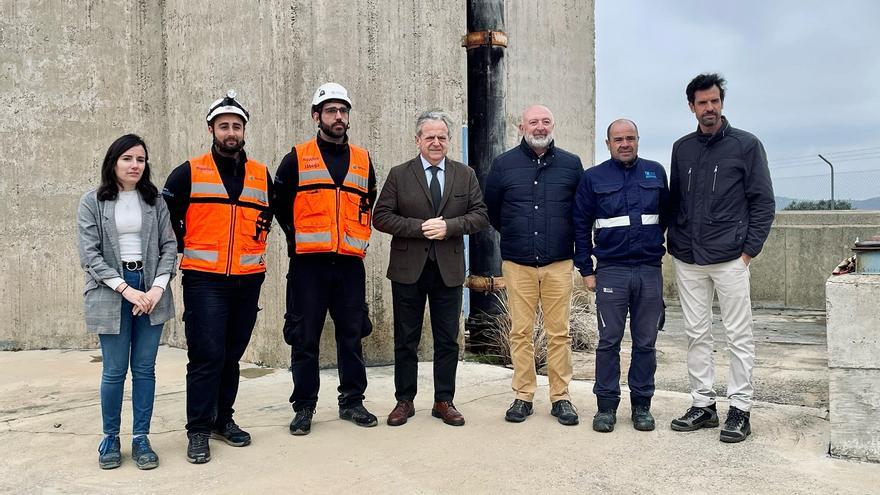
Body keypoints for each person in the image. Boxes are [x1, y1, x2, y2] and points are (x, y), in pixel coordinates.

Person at [163, 90, 273, 463]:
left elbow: (270, 215)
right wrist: (179, 244)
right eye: (224, 125)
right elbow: (166, 213)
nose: (231, 132)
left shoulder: (260, 174)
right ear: (211, 128)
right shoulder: (189, 172)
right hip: (204, 279)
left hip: (247, 279)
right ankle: (197, 430)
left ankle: (222, 420)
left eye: (237, 126)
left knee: (231, 356)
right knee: (206, 356)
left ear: (244, 131)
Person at [667, 73, 775, 443]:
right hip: (688, 258)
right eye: (702, 103)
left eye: (714, 101)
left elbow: (763, 202)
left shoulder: (747, 145)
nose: (709, 108)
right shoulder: (681, 149)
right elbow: (674, 200)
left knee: (738, 335)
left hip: (730, 257)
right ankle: (703, 405)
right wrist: (674, 241)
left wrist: (748, 252)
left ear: (722, 102)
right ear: (692, 107)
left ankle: (740, 409)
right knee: (696, 333)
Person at [273, 82, 378, 435]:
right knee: (305, 337)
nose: (338, 117)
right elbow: (280, 204)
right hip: (309, 266)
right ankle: (304, 406)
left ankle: (352, 401)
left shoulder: (363, 160)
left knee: (352, 334)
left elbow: (369, 201)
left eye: (343, 111)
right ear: (317, 116)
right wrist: (296, 239)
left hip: (349, 264)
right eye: (331, 111)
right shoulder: (297, 158)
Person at [373, 109, 488, 427]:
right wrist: (420, 227)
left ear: (448, 141)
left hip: (448, 270)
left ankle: (444, 400)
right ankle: (404, 401)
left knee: (448, 339)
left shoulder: (465, 175)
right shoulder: (399, 174)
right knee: (405, 338)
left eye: (442, 137)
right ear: (418, 140)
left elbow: (480, 216)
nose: (436, 142)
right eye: (430, 137)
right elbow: (381, 216)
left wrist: (450, 226)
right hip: (409, 268)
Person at [77, 134, 177, 470]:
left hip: (151, 290)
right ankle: (110, 438)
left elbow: (169, 247)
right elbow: (89, 255)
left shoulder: (155, 201)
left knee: (145, 369)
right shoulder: (92, 202)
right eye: (128, 159)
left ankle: (141, 438)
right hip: (112, 291)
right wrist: (126, 289)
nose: (135, 165)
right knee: (115, 370)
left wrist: (156, 290)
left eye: (141, 160)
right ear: (113, 162)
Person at [484, 105, 583, 426]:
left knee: (559, 333)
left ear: (553, 125)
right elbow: (494, 211)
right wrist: (517, 234)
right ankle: (523, 395)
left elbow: (580, 213)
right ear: (521, 126)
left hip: (559, 262)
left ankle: (561, 397)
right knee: (520, 332)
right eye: (533, 122)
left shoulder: (571, 165)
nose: (539, 127)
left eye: (545, 122)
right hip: (518, 263)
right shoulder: (503, 165)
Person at [573, 119, 669, 433]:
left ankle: (642, 406)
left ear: (637, 140)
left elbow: (665, 216)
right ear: (608, 143)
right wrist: (586, 269)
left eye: (630, 138)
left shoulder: (655, 172)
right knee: (608, 342)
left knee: (646, 342)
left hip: (648, 270)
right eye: (618, 139)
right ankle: (606, 407)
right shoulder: (593, 178)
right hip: (611, 271)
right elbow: (580, 225)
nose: (624, 144)